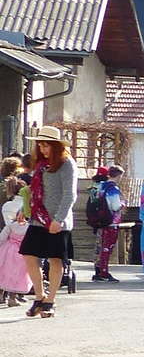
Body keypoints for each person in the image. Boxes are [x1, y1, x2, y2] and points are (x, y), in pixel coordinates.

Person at [19, 127, 76, 317]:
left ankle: (50, 300)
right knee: (28, 254)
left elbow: (70, 195)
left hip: (57, 221)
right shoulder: (41, 165)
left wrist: (59, 219)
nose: (43, 149)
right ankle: (39, 296)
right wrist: (23, 209)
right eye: (40, 145)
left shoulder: (67, 164)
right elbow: (34, 191)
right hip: (38, 218)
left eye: (46, 146)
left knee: (55, 260)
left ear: (56, 146)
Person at [86, 165, 123, 282]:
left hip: (99, 222)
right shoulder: (113, 188)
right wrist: (123, 203)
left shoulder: (98, 187)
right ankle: (104, 272)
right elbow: (116, 206)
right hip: (111, 222)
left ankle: (98, 271)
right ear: (118, 176)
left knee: (100, 247)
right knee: (107, 247)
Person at [1, 176, 31, 307]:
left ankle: (1, 295)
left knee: (4, 271)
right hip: (23, 249)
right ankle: (14, 297)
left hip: (7, 247)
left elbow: (2, 236)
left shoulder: (7, 206)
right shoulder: (27, 208)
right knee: (18, 273)